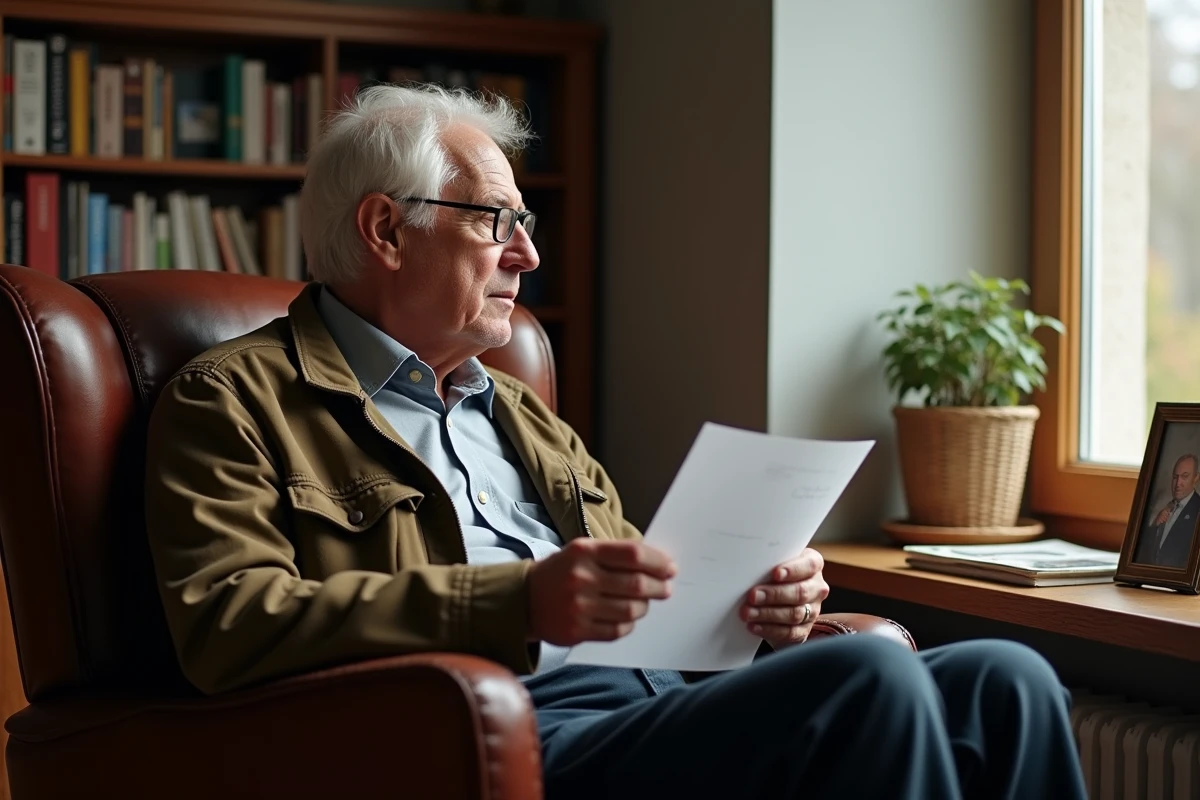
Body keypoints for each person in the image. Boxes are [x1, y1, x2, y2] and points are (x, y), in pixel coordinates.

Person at [143, 84, 1087, 799]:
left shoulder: (521, 414)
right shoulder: (233, 402)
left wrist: (756, 613)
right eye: (496, 222)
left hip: (652, 704)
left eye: (525, 223)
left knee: (1008, 676)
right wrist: (515, 600)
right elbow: (230, 624)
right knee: (870, 671)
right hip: (503, 738)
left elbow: (650, 604)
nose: (527, 254)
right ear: (387, 229)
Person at [1134, 453, 1200, 569]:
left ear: (1196, 478)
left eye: (1184, 476)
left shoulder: (1197, 508)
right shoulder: (1168, 507)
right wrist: (1155, 526)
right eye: (1175, 477)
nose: (1178, 483)